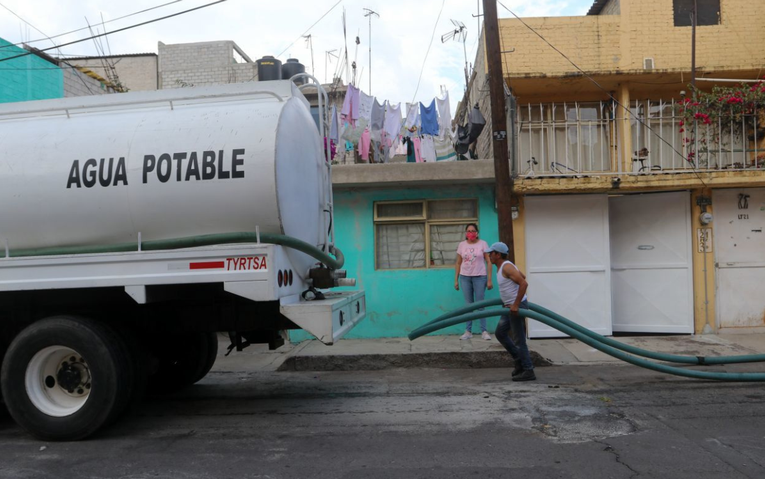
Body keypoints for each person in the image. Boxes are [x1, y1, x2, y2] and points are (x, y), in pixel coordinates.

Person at [485, 242, 536, 381]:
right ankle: (519, 359)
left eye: (491, 253)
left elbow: (524, 283)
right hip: (508, 306)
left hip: (515, 307)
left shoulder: (506, 267)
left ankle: (528, 369)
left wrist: (516, 304)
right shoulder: (503, 266)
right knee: (500, 333)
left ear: (498, 254)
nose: (489, 255)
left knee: (519, 339)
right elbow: (523, 276)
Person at [454, 223, 493, 340]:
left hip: (480, 277)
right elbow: (458, 263)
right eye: (469, 231)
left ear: (477, 233)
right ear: (466, 233)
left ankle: (484, 331)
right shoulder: (462, 245)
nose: (471, 233)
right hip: (465, 277)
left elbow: (489, 262)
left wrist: (489, 279)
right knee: (468, 305)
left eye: (473, 231)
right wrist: (456, 279)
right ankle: (468, 331)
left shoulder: (483, 244)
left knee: (480, 304)